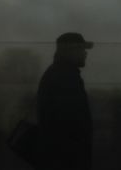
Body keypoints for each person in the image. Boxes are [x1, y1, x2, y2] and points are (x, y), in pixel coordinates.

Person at [36, 32, 94, 170]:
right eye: (82, 49)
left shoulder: (58, 74)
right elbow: (72, 122)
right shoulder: (67, 77)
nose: (85, 53)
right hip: (67, 159)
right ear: (71, 51)